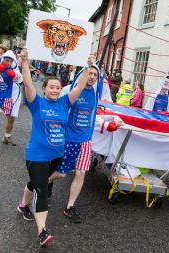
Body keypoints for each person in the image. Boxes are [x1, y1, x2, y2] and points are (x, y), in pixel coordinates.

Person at [17, 48, 89, 246]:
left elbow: (80, 86)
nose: (56, 90)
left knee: (46, 181)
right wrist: (25, 61)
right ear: (45, 89)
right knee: (42, 191)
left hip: (57, 155)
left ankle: (23, 204)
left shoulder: (65, 103)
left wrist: (88, 66)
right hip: (37, 155)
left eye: (58, 87)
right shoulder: (37, 103)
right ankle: (42, 231)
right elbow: (28, 83)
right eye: (52, 87)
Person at [47, 57, 104, 223]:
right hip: (69, 139)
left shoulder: (96, 93)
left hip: (85, 140)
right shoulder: (71, 90)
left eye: (95, 74)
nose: (92, 77)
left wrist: (111, 121)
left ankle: (70, 207)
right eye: (89, 74)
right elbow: (57, 107)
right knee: (62, 174)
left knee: (81, 172)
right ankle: (46, 181)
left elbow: (96, 114)